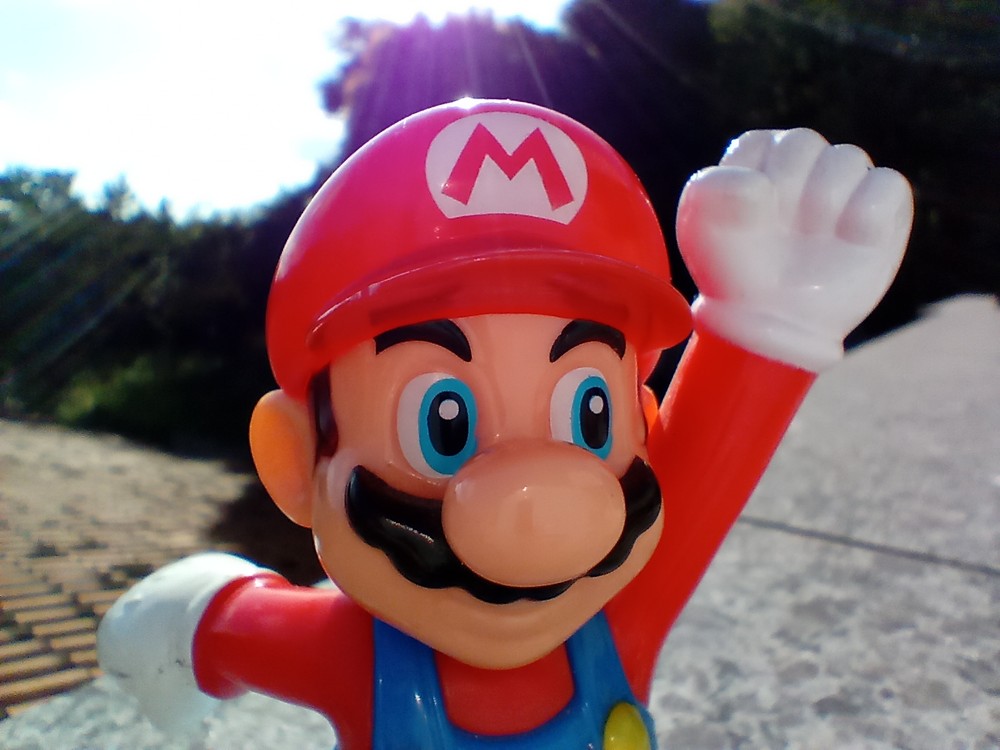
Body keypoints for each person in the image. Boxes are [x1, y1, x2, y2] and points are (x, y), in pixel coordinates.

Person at [98, 99, 913, 749]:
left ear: (642, 425)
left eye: (591, 417)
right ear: (295, 461)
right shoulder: (355, 658)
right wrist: (183, 620)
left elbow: (702, 473)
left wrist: (772, 322)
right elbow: (225, 625)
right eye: (443, 423)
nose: (543, 507)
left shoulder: (618, 619)